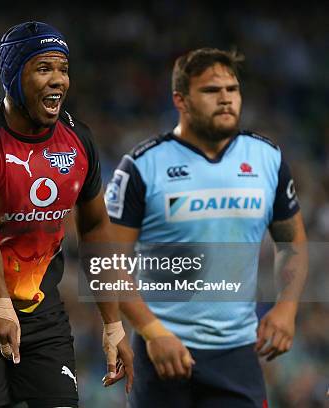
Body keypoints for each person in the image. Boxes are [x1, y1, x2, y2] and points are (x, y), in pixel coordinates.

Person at [0, 21, 134, 408]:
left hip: (42, 313)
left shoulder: (80, 141)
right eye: (44, 69)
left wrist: (113, 323)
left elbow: (95, 227)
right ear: (11, 75)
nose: (58, 80)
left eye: (63, 69)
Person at [105, 48, 308, 407]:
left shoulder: (268, 160)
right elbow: (105, 263)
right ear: (180, 100)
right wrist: (153, 333)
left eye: (233, 89)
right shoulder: (141, 166)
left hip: (236, 356)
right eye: (212, 91)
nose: (226, 98)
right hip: (161, 351)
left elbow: (293, 243)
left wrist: (286, 308)